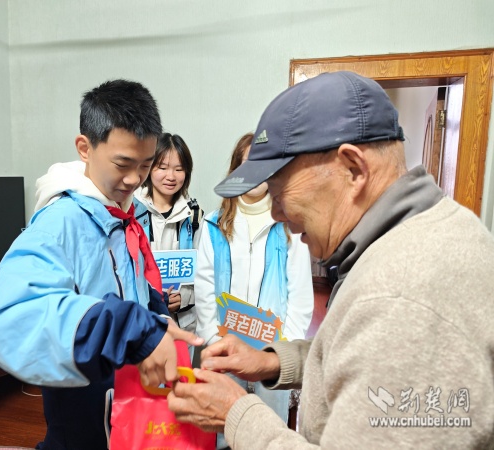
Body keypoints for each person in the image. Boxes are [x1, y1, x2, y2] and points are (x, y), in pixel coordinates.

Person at [167, 71, 494, 449]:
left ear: (353, 168)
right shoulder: (414, 236)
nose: (275, 213)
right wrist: (274, 361)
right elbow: (362, 357)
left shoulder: (401, 298)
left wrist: (236, 414)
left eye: (279, 193)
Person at [0, 79, 202, 450]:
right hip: (83, 414)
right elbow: (11, 319)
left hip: (126, 407)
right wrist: (132, 330)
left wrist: (155, 316)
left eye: (145, 165)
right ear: (85, 148)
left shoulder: (122, 213)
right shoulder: (61, 221)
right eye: (123, 164)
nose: (135, 179)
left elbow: (126, 288)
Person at [195, 132, 314, 448]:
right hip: (225, 345)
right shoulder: (213, 224)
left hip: (271, 351)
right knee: (223, 430)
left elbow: (300, 294)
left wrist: (282, 349)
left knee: (268, 431)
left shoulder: (288, 225)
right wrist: (215, 341)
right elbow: (204, 287)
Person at [134, 132, 204, 335]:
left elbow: (206, 271)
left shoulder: (195, 216)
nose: (171, 176)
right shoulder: (132, 212)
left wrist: (185, 297)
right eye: (162, 168)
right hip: (143, 321)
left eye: (179, 169)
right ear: (148, 168)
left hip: (184, 324)